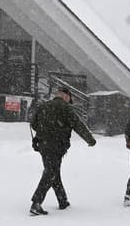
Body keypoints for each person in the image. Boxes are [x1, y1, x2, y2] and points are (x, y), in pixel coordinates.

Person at [29, 85, 96, 215]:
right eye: (69, 98)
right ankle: (36, 203)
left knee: (54, 172)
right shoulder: (66, 108)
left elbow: (33, 124)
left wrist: (44, 132)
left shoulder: (44, 106)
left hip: (43, 144)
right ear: (65, 96)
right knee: (51, 172)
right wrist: (90, 140)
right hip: (56, 145)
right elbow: (78, 125)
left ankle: (63, 201)